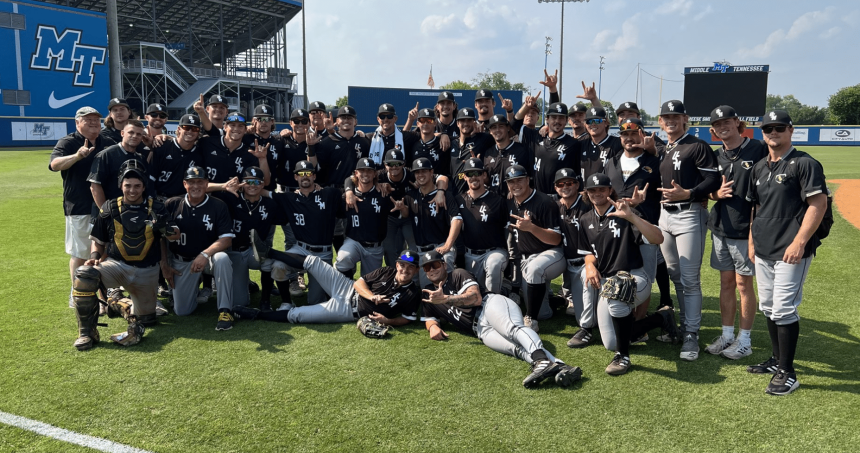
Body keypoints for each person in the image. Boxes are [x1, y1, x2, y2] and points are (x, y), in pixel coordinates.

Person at [746, 110, 828, 396]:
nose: (773, 133)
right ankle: (776, 360)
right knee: (768, 307)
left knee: (783, 308)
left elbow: (818, 204)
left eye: (779, 128)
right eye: (768, 128)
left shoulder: (804, 163)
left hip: (791, 251)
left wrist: (800, 242)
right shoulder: (758, 167)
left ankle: (788, 372)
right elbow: (755, 209)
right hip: (764, 248)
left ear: (791, 130)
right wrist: (751, 243)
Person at [420, 251, 582, 388]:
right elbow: (429, 317)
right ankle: (561, 367)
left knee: (513, 329)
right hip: (481, 331)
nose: (432, 270)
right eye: (427, 267)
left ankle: (541, 361)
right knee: (516, 349)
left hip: (489, 305)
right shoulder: (429, 295)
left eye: (435, 265)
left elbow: (475, 298)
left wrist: (446, 299)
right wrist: (432, 326)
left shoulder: (457, 274)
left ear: (444, 265)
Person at [575, 173, 679, 375]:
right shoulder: (586, 218)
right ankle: (661, 318)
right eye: (593, 190)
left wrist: (631, 215)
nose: (597, 193)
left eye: (602, 189)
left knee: (617, 299)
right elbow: (588, 252)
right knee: (611, 341)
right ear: (587, 193)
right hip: (608, 282)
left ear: (609, 191)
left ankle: (623, 357)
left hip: (635, 276)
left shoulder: (625, 212)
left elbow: (658, 238)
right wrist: (589, 265)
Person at [71, 160, 180, 350]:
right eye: (128, 185)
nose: (132, 190)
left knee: (147, 320)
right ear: (120, 185)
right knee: (85, 274)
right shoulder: (109, 207)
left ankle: (114, 302)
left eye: (137, 186)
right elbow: (98, 239)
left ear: (144, 186)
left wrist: (162, 226)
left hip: (147, 270)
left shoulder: (157, 207)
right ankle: (87, 333)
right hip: (117, 265)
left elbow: (175, 234)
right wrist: (95, 255)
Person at [655, 100, 721, 361]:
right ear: (660, 121)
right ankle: (683, 329)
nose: (671, 120)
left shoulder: (697, 145)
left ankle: (691, 334)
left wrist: (691, 193)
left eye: (676, 116)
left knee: (690, 279)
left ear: (685, 119)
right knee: (675, 276)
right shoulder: (664, 147)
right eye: (666, 116)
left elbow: (713, 178)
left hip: (689, 214)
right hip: (665, 216)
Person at [704, 105, 767, 359]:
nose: (723, 127)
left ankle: (745, 339)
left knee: (744, 285)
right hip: (720, 227)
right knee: (726, 283)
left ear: (737, 123)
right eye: (718, 124)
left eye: (727, 122)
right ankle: (727, 335)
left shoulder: (758, 149)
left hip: (745, 229)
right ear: (713, 130)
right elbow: (706, 190)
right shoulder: (714, 156)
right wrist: (714, 194)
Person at [243, 245, 422, 327]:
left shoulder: (413, 293)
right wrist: (371, 296)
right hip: (347, 287)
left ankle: (257, 314)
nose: (405, 270)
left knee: (298, 315)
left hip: (346, 311)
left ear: (415, 271)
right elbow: (360, 283)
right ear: (397, 264)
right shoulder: (387, 271)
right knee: (314, 261)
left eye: (410, 267)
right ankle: (268, 251)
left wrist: (389, 321)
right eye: (403, 265)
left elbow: (408, 318)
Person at [50, 106, 116, 307]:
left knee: (104, 251)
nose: (94, 122)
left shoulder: (107, 141)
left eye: (96, 119)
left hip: (104, 205)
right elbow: (55, 165)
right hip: (79, 206)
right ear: (77, 122)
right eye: (88, 120)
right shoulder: (69, 142)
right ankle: (78, 293)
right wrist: (78, 156)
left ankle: (104, 296)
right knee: (80, 253)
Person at [603, 118, 662, 326]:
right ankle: (624, 319)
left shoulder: (654, 162)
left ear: (641, 135)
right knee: (621, 275)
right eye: (624, 134)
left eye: (633, 133)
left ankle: (639, 323)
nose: (629, 138)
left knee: (644, 278)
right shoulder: (612, 162)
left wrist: (639, 205)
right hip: (617, 230)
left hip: (644, 227)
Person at [162, 166, 236, 330]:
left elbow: (226, 239)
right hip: (182, 261)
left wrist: (204, 254)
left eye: (200, 182)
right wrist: (164, 264)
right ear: (184, 184)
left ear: (206, 183)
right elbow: (161, 238)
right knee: (182, 311)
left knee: (222, 258)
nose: (196, 186)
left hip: (208, 259)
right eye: (191, 182)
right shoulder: (172, 204)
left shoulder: (218, 205)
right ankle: (193, 289)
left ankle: (225, 310)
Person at [266, 160, 344, 304]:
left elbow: (348, 192)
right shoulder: (290, 198)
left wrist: (351, 192)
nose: (305, 176)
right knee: (278, 266)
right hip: (300, 249)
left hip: (323, 253)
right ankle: (286, 303)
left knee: (315, 302)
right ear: (296, 177)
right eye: (300, 174)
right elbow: (265, 192)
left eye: (308, 173)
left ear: (314, 176)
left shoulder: (330, 194)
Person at [505, 165, 565, 332]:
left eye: (519, 180)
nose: (515, 185)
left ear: (527, 179)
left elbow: (556, 239)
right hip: (527, 257)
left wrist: (531, 228)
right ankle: (553, 301)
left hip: (551, 254)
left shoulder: (545, 201)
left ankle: (530, 319)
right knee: (544, 313)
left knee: (534, 270)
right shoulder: (510, 201)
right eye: (511, 182)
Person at [221, 167, 289, 312]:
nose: (252, 185)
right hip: (235, 253)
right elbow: (206, 192)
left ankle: (265, 300)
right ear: (242, 184)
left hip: (256, 252)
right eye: (248, 181)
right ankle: (247, 283)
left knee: (269, 260)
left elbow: (286, 209)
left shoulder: (270, 204)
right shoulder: (230, 199)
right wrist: (226, 187)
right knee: (240, 302)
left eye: (257, 182)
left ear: (263, 185)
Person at [394, 158, 462, 287]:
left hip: (440, 246)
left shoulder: (445, 195)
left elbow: (457, 220)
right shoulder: (411, 195)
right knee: (417, 282)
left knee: (445, 264)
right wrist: (403, 209)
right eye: (417, 172)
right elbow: (407, 215)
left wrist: (448, 245)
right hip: (420, 250)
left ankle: (451, 299)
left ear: (432, 172)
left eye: (424, 171)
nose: (420, 175)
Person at [455, 158, 508, 294]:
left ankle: (494, 303)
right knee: (475, 292)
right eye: (470, 174)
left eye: (477, 173)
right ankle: (504, 290)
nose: (474, 177)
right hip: (469, 254)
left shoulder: (497, 201)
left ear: (484, 175)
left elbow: (507, 230)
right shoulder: (459, 200)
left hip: (493, 252)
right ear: (464, 177)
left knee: (494, 264)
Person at [335, 158, 393, 278]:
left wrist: (401, 208)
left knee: (370, 283)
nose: (365, 174)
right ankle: (347, 286)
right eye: (362, 171)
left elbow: (396, 213)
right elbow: (337, 213)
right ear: (356, 173)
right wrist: (348, 192)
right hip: (354, 241)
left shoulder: (382, 194)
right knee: (343, 259)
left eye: (369, 171)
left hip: (374, 247)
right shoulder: (347, 196)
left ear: (374, 174)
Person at [514, 99, 581, 195]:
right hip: (537, 196)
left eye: (561, 118)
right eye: (554, 117)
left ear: (566, 120)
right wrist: (526, 106)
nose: (557, 121)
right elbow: (514, 124)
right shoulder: (535, 137)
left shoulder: (573, 144)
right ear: (547, 119)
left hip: (561, 198)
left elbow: (577, 173)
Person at [88, 120, 151, 215]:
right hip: (108, 215)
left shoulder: (140, 158)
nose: (134, 136)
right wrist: (105, 212)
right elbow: (95, 186)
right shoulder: (106, 155)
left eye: (138, 134)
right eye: (131, 132)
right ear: (122, 133)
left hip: (130, 214)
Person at [553, 169, 589, 321]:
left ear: (577, 185)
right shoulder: (555, 207)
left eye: (569, 183)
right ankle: (562, 297)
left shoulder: (588, 206)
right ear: (555, 187)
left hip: (586, 264)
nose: (565, 186)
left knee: (586, 317)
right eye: (560, 184)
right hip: (566, 262)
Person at [483, 114, 533, 199]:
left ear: (508, 128)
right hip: (494, 203)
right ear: (490, 131)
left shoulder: (521, 150)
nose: (497, 130)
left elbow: (530, 177)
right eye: (494, 127)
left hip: (516, 201)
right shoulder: (488, 153)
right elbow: (488, 180)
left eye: (501, 126)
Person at [449, 107, 494, 195]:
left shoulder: (483, 139)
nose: (466, 123)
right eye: (462, 121)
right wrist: (442, 135)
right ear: (457, 123)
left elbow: (502, 136)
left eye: (469, 120)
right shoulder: (451, 143)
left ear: (474, 122)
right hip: (455, 196)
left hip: (475, 195)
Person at [580, 106, 622, 180]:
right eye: (589, 121)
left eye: (597, 120)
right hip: (584, 190)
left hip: (607, 190)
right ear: (585, 125)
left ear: (606, 123)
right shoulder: (580, 143)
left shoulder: (618, 143)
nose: (593, 124)